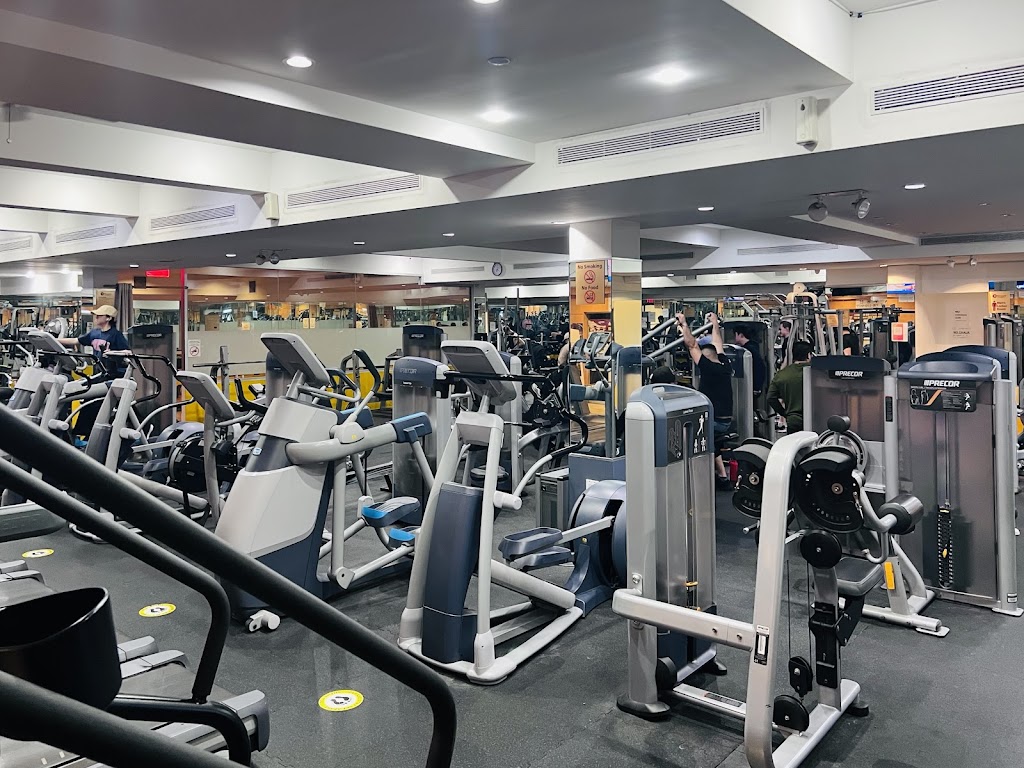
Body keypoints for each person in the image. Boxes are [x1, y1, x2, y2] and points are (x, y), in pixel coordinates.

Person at [677, 312, 733, 488]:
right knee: (710, 437)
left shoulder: (708, 368)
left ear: (706, 358)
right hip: (725, 420)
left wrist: (684, 324)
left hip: (715, 422)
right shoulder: (725, 364)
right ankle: (722, 475)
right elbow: (718, 344)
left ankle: (695, 476)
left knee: (686, 432)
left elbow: (691, 344)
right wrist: (714, 324)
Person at [58, 304, 130, 379]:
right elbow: (76, 340)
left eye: (99, 315)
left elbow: (128, 352)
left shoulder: (116, 335)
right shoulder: (94, 333)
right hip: (98, 372)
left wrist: (112, 353)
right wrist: (54, 340)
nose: (96, 317)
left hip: (113, 375)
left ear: (108, 318)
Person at [766, 340, 812, 433]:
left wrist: (784, 413)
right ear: (808, 355)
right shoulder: (818, 372)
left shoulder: (782, 375)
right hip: (815, 419)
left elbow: (770, 397)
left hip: (793, 420)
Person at [732, 324, 766, 396]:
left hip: (752, 387)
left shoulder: (748, 351)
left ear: (741, 335)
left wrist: (756, 387)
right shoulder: (754, 347)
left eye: (735, 335)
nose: (734, 338)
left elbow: (759, 367)